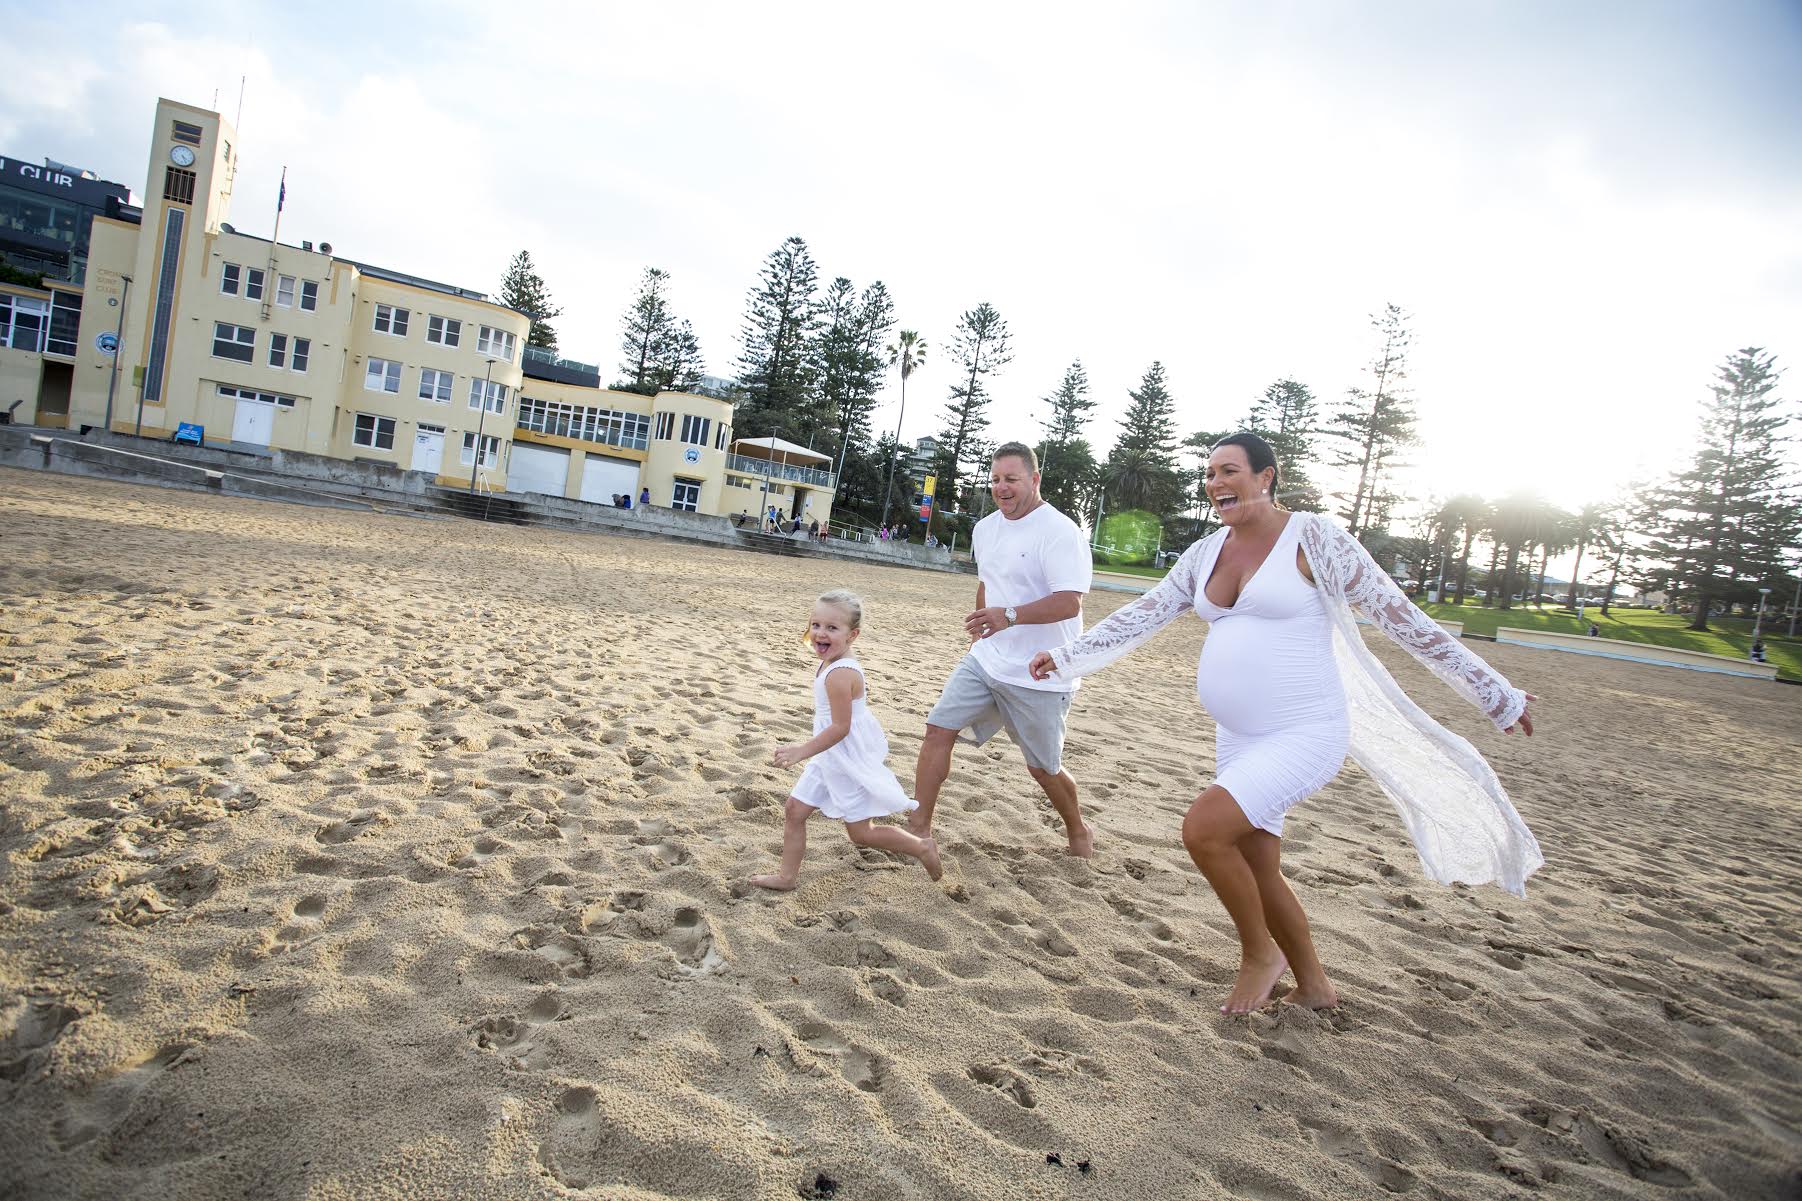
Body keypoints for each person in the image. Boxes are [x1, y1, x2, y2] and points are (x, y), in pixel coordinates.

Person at [1029, 433, 1541, 1014]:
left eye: (1230, 471)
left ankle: (1258, 954)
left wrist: (1494, 693)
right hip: (1239, 736)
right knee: (1256, 864)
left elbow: (1403, 617)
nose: (1217, 484)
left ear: (1267, 477)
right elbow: (1145, 612)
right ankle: (1316, 986)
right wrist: (1069, 657)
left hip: (1306, 730)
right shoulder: (1205, 553)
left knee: (1203, 830)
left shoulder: (1314, 539)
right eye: (1210, 474)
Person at [911, 442, 1095, 856]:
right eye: (995, 479)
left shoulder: (1061, 531)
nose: (1002, 488)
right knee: (938, 728)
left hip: (1041, 671)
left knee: (1042, 769)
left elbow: (1070, 602)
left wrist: (1007, 616)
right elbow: (987, 583)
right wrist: (983, 626)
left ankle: (1078, 830)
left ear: (1034, 479)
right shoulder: (985, 528)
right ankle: (918, 828)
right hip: (987, 658)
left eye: (1011, 479)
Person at [749, 589, 943, 890]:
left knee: (861, 833)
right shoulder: (829, 662)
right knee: (794, 810)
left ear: (853, 635)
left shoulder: (840, 674)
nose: (820, 633)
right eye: (815, 625)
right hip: (829, 755)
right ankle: (787, 877)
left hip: (844, 757)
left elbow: (840, 727)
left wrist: (802, 751)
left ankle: (921, 847)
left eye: (831, 628)